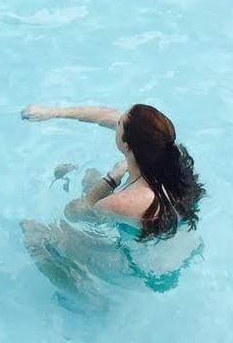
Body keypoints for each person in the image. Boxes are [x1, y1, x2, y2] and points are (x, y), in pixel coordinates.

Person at [18, 102, 204, 302]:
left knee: (35, 235)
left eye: (120, 123)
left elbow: (75, 211)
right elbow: (105, 115)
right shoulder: (170, 158)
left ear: (127, 146)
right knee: (90, 176)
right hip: (184, 252)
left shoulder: (126, 201)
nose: (116, 121)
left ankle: (88, 302)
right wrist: (54, 112)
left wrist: (112, 177)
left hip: (146, 274)